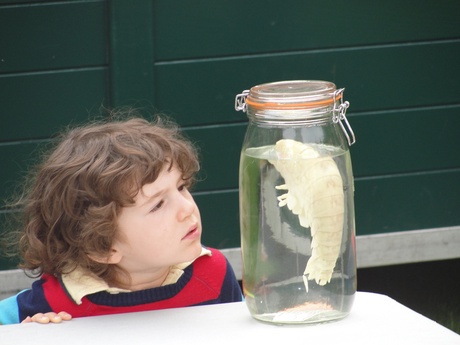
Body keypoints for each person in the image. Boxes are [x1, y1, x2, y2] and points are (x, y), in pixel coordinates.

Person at [0, 113, 242, 325]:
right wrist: (28, 333)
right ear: (102, 246)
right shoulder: (53, 300)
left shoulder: (214, 273)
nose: (187, 207)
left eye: (180, 187)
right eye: (158, 204)